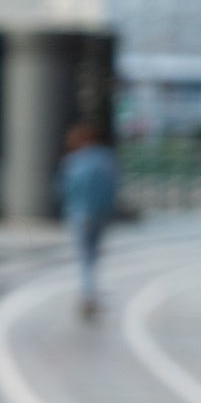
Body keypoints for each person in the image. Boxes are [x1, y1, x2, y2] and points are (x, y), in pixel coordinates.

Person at [54, 120, 121, 319]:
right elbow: (114, 187)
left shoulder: (74, 161)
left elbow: (63, 187)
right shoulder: (108, 159)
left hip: (79, 211)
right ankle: (91, 293)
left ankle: (87, 295)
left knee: (84, 256)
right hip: (101, 213)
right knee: (93, 255)